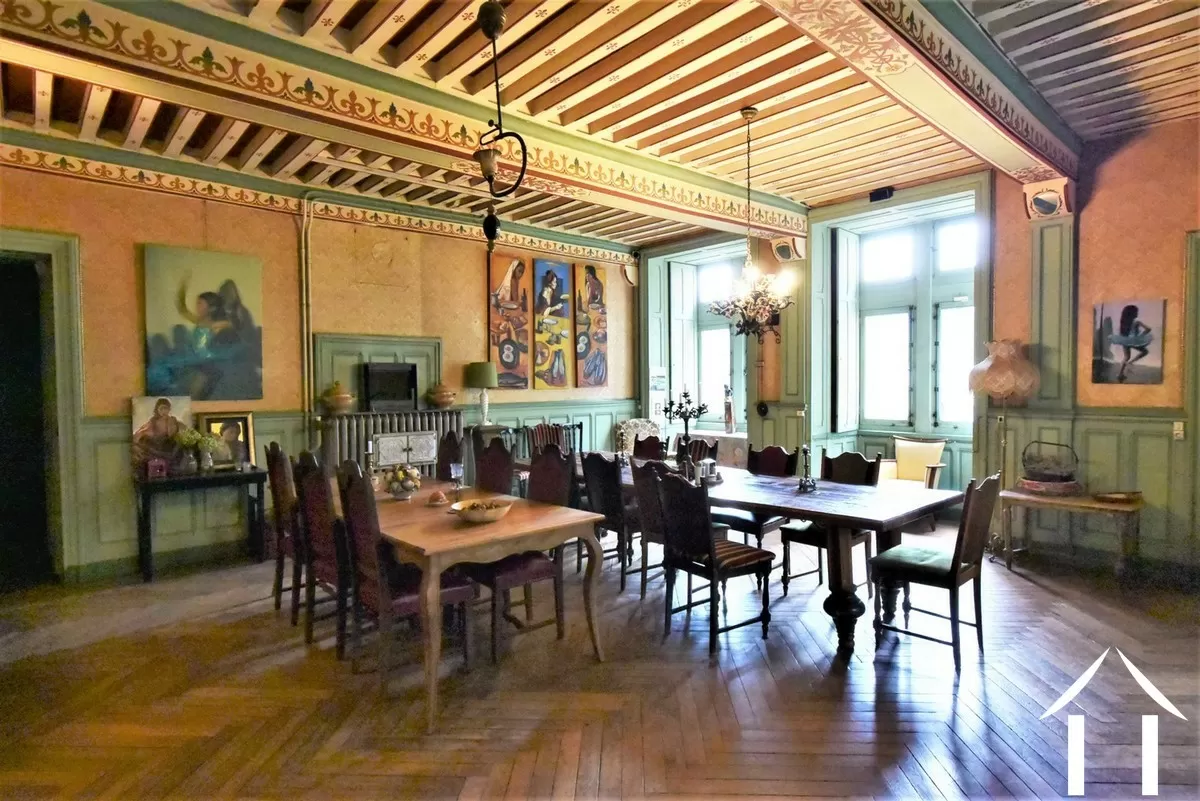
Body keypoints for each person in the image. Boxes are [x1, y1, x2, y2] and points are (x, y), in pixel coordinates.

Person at [132, 398, 186, 467]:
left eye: (166, 409)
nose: (164, 411)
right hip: (157, 445)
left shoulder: (173, 420)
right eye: (161, 409)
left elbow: (183, 429)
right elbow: (141, 431)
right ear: (157, 409)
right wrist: (135, 442)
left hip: (170, 444)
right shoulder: (153, 421)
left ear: (169, 409)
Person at [1108, 304, 1152, 382]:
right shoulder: (1137, 320)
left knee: (1126, 357)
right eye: (1136, 311)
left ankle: (1120, 374)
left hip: (1125, 340)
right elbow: (1148, 329)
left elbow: (1123, 332)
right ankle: (1131, 363)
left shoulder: (1124, 321)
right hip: (1134, 340)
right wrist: (1141, 336)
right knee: (1145, 351)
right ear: (1133, 313)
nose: (1137, 313)